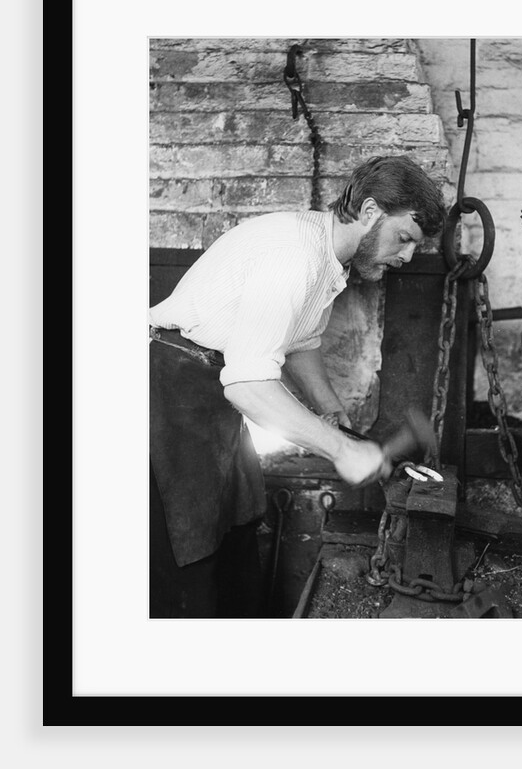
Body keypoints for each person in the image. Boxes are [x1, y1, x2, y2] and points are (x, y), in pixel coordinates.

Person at [149, 154, 446, 618]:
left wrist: (332, 413)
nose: (407, 256)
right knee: (188, 552)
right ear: (369, 213)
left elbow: (301, 342)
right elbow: (248, 384)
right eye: (404, 238)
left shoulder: (327, 259)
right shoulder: (293, 256)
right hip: (167, 392)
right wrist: (342, 451)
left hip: (209, 392)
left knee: (240, 525)